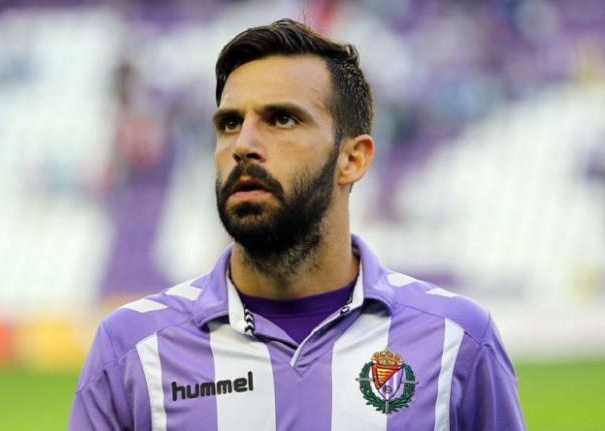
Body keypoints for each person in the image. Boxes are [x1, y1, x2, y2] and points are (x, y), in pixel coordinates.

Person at [69, 19, 525, 430]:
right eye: (229, 123)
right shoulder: (130, 350)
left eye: (281, 119)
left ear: (353, 158)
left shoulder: (458, 341)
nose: (243, 144)